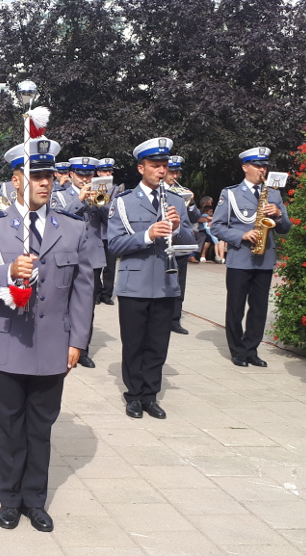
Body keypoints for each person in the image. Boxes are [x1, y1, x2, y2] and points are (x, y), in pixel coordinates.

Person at [0, 138, 94, 534]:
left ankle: (35, 499)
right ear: (16, 180)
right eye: (36, 175)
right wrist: (6, 272)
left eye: (49, 174)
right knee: (9, 425)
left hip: (53, 345)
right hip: (8, 342)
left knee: (41, 426)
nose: (45, 182)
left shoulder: (73, 228)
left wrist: (78, 341)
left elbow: (84, 289)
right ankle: (9, 498)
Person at [106, 137, 194, 419]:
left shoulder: (176, 201)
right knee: (133, 343)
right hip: (134, 284)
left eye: (164, 165)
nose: (161, 170)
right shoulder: (124, 202)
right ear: (141, 168)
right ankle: (133, 395)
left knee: (158, 344)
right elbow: (114, 244)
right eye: (155, 165)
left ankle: (150, 395)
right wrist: (147, 235)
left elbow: (191, 243)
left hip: (165, 282)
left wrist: (177, 228)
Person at [210, 147, 291, 367]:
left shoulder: (273, 194)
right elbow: (216, 227)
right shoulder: (231, 193)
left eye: (264, 166)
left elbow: (285, 228)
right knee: (235, 308)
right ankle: (237, 350)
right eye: (257, 166)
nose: (262, 170)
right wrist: (241, 235)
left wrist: (279, 214)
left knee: (259, 308)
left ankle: (251, 349)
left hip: (265, 258)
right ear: (245, 167)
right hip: (240, 258)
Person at [53, 156, 106, 368]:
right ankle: (59, 345)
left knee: (86, 306)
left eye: (89, 174)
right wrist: (80, 200)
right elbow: (57, 219)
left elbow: (111, 222)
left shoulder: (99, 194)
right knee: (61, 303)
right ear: (71, 174)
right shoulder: (60, 195)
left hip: (91, 257)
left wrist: (102, 203)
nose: (85, 178)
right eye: (81, 174)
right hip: (65, 255)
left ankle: (83, 349)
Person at [164, 155, 200, 334]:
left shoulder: (182, 191)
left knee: (179, 284)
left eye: (177, 172)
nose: (175, 176)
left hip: (180, 245)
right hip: (162, 244)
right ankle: (162, 317)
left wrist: (191, 203)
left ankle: (174, 320)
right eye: (172, 172)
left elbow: (195, 217)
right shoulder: (157, 191)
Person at [95, 158, 120, 304]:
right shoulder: (92, 188)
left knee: (110, 266)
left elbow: (113, 210)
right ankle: (97, 293)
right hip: (96, 233)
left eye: (110, 171)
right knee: (96, 266)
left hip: (110, 233)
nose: (108, 173)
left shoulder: (117, 190)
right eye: (105, 171)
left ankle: (107, 294)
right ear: (98, 173)